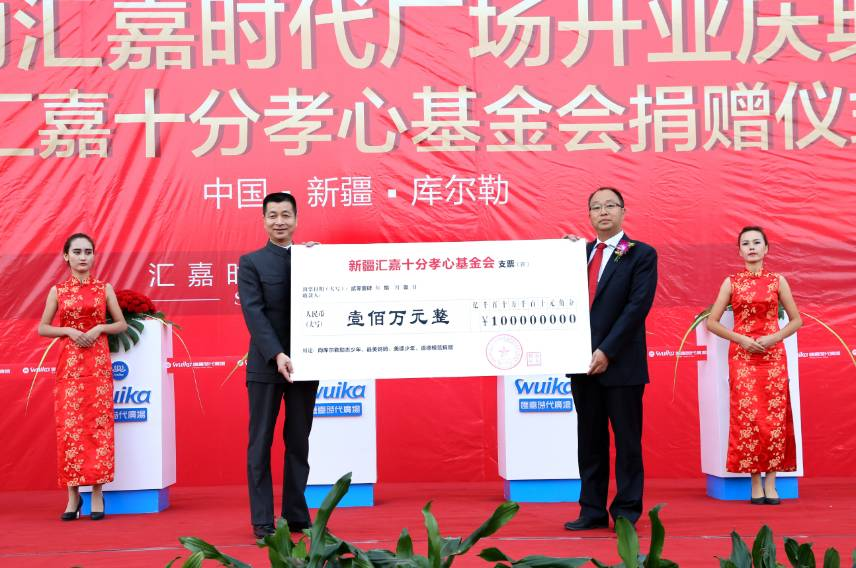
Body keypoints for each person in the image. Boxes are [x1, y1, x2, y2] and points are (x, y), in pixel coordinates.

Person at [564, 187, 658, 531]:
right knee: (589, 441)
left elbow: (637, 307)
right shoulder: (579, 255)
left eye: (610, 205)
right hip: (582, 364)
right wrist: (559, 256)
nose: (603, 211)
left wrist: (607, 350)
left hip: (621, 363)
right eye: (596, 207)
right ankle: (591, 510)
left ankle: (626, 511)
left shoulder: (640, 254)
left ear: (623, 211)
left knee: (627, 441)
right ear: (589, 215)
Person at [238, 192, 319, 540]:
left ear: (296, 219)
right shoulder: (251, 262)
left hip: (305, 365)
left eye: (286, 215)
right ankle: (262, 520)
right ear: (263, 220)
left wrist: (322, 261)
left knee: (299, 441)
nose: (280, 221)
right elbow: (254, 314)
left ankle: (296, 515)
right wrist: (277, 354)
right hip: (266, 365)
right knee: (260, 443)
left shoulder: (311, 259)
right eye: (272, 215)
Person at [705, 226, 801, 504]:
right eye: (745, 243)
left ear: (766, 249)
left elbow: (796, 320)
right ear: (739, 251)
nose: (751, 247)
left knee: (774, 418)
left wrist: (774, 337)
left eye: (756, 242)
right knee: (748, 418)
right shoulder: (731, 282)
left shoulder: (777, 281)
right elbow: (712, 322)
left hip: (773, 357)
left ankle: (772, 481)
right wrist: (741, 339)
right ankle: (755, 481)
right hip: (743, 357)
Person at [37, 233, 127, 521]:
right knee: (71, 428)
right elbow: (43, 328)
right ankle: (73, 496)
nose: (83, 256)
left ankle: (97, 493)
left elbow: (121, 324)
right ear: (66, 256)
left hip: (98, 364)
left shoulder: (104, 288)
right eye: (77, 252)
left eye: (88, 251)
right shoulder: (58, 291)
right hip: (70, 366)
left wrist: (100, 328)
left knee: (97, 427)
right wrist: (68, 331)